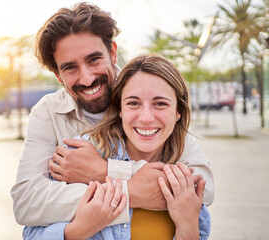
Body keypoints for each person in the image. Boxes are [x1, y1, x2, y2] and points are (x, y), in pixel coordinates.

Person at [11, 2, 214, 229]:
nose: (87, 79)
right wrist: (130, 192)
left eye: (93, 59)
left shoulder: (145, 93)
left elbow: (203, 189)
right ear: (58, 75)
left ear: (113, 53)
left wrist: (102, 171)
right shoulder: (47, 113)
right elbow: (26, 202)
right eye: (70, 68)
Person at [23, 54, 211, 239]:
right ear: (120, 109)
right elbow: (31, 233)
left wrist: (188, 228)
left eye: (160, 103)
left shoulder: (186, 178)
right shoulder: (77, 157)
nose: (146, 118)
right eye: (133, 103)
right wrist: (78, 231)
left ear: (178, 111)